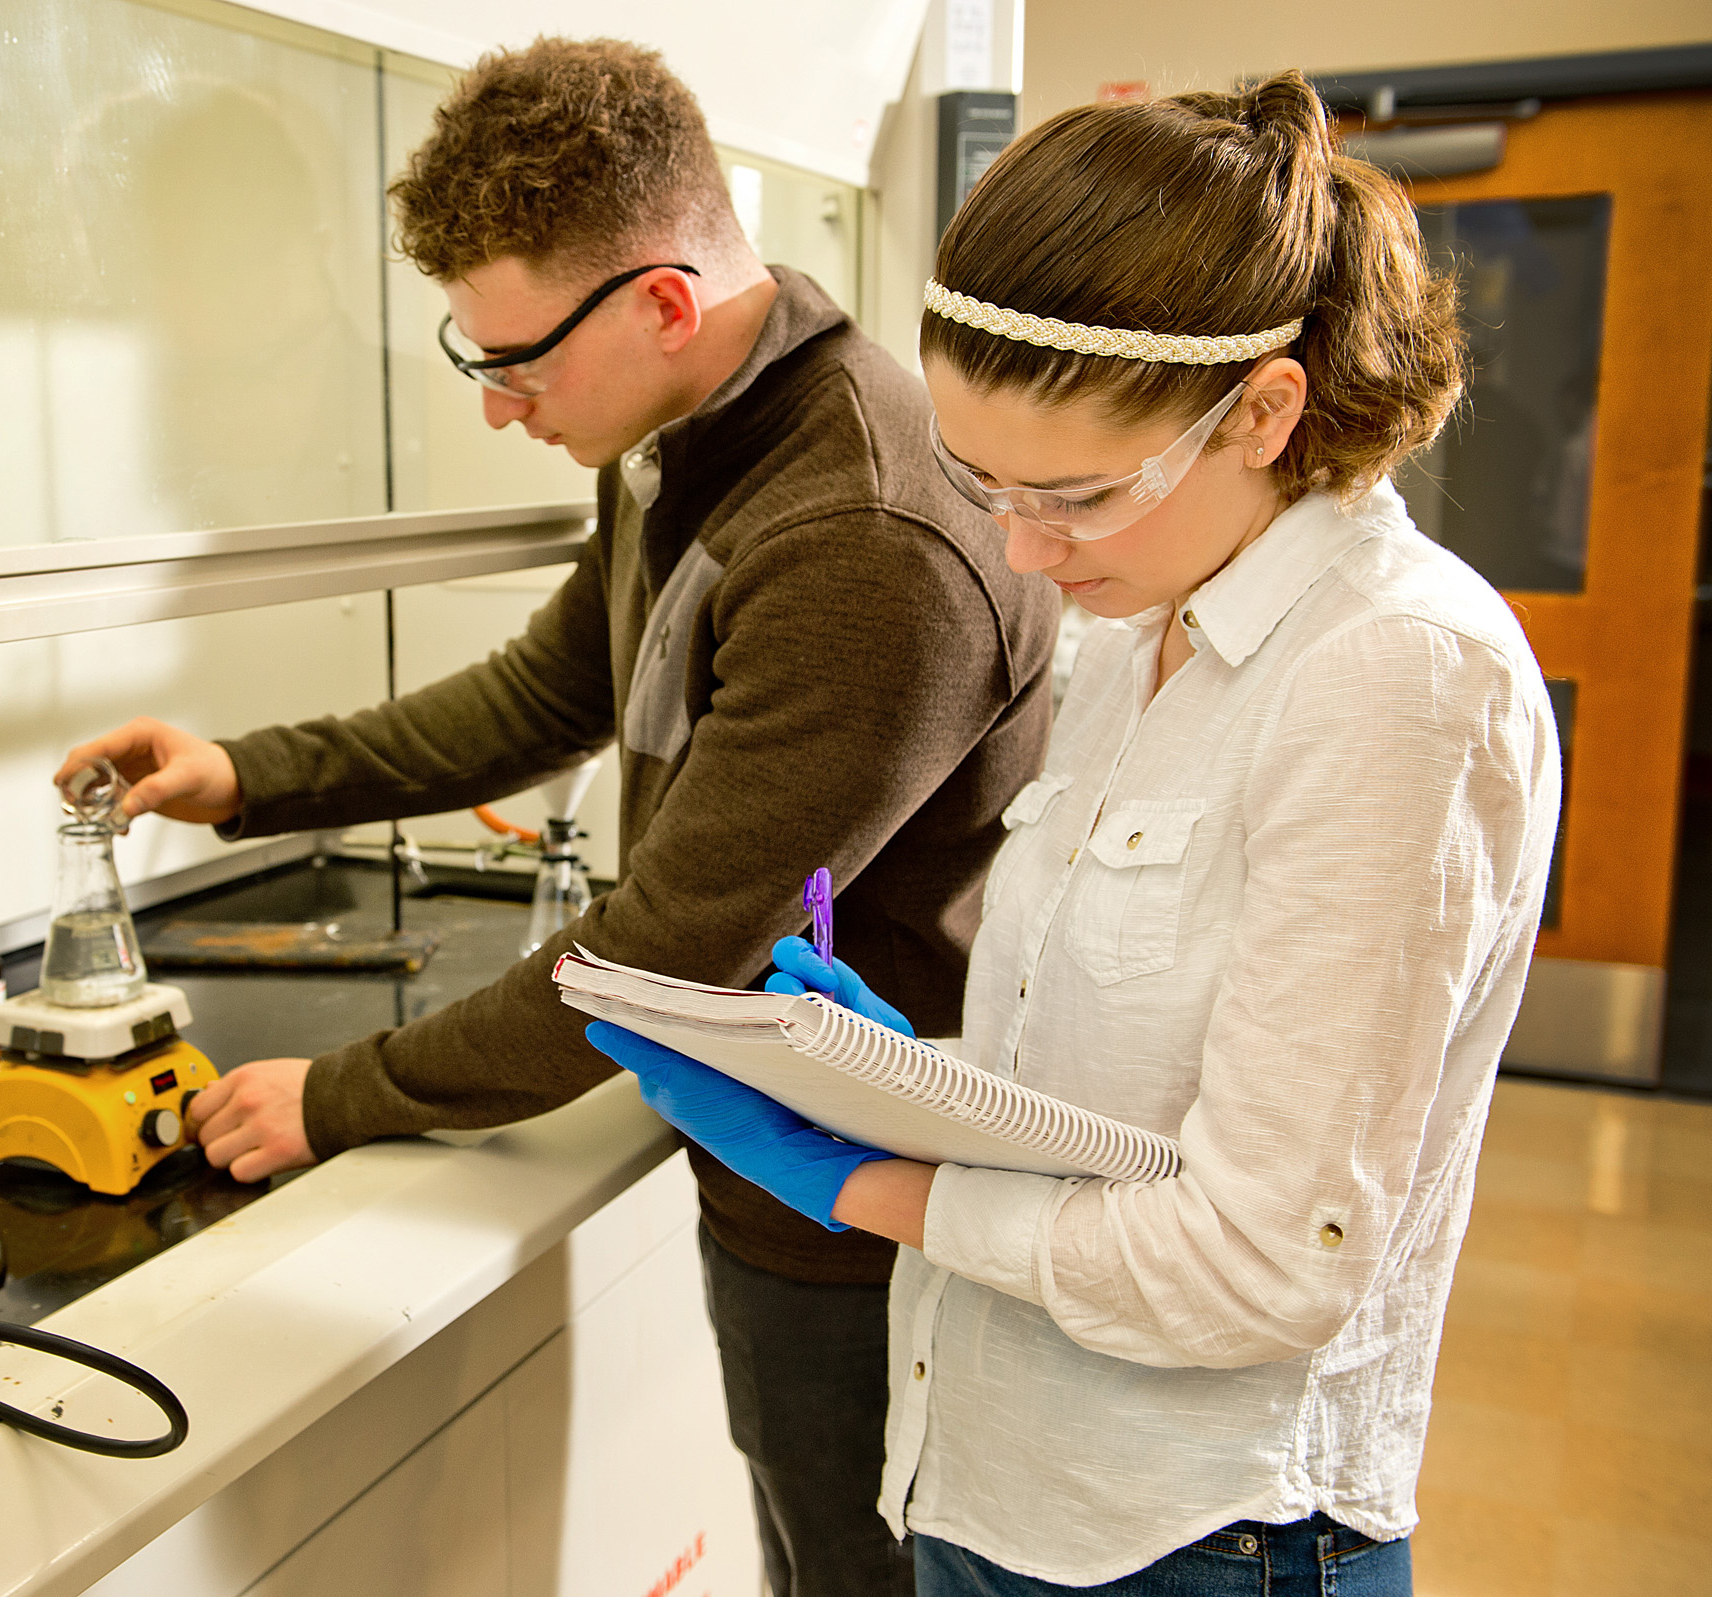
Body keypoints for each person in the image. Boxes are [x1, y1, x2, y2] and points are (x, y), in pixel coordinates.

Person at [56, 37, 1057, 1597]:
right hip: (776, 1162)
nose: (502, 408)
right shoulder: (685, 438)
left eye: (516, 363)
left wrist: (338, 1094)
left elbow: (660, 955)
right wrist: (248, 773)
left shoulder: (862, 533)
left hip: (878, 1221)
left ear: (662, 300)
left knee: (862, 1573)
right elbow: (542, 695)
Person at [587, 70, 1563, 1596]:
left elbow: (1264, 1258)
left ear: (1264, 409)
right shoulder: (1142, 621)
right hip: (997, 1467)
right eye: (984, 488)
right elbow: (1111, 1093)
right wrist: (901, 1075)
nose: (1026, 551)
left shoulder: (1392, 674)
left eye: (1078, 494)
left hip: (1199, 1532)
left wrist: (868, 1186)